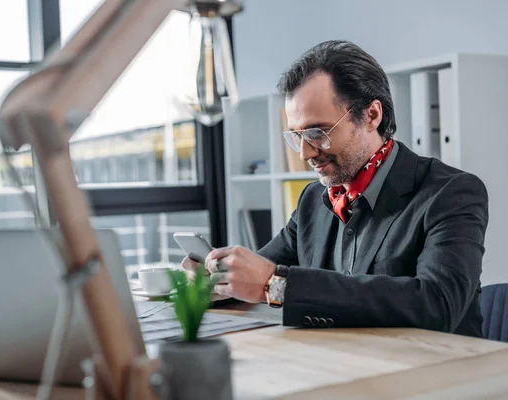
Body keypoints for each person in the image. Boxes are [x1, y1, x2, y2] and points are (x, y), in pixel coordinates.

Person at [181, 40, 489, 337]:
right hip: (341, 365)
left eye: (317, 132)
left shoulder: (452, 193)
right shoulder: (313, 200)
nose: (304, 153)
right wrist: (218, 282)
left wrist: (274, 285)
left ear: (371, 115)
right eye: (296, 135)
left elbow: (437, 304)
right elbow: (257, 276)